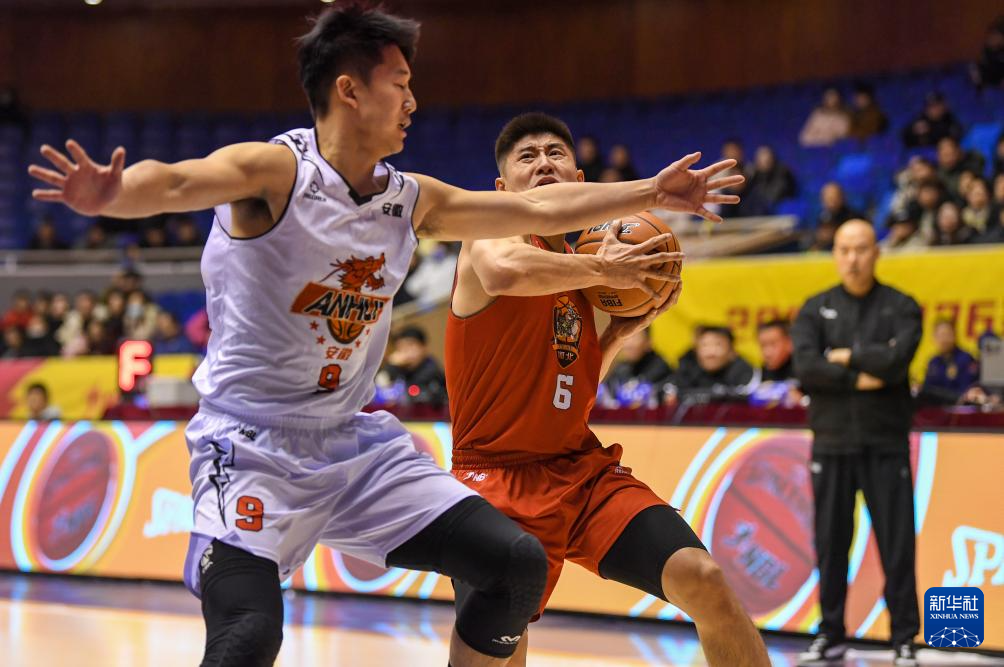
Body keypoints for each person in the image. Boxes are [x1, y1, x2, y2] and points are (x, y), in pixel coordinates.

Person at [27, 7, 740, 666]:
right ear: (350, 91)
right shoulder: (276, 172)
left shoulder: (407, 198)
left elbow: (535, 208)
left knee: (513, 564)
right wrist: (113, 194)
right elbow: (180, 182)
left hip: (353, 443)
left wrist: (653, 192)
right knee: (249, 635)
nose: (412, 100)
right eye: (400, 82)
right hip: (250, 447)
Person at [446, 111, 767, 667]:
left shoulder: (580, 275)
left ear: (579, 181)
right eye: (527, 156)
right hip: (494, 480)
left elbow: (567, 389)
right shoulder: (489, 232)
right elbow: (504, 272)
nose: (543, 162)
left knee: (704, 579)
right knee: (499, 656)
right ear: (501, 188)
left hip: (578, 470)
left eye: (555, 153)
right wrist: (603, 271)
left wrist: (615, 335)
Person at [791, 220, 921, 666]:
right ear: (835, 254)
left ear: (876, 252)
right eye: (844, 250)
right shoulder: (815, 309)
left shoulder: (901, 306)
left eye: (861, 249)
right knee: (830, 544)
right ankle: (830, 633)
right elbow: (806, 367)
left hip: (886, 443)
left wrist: (845, 357)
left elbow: (898, 361)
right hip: (831, 444)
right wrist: (861, 374)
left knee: (897, 544)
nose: (853, 259)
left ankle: (904, 637)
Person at [674, 325, 756, 400]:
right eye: (704, 345)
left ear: (732, 351)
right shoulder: (687, 368)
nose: (710, 353)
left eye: (718, 345)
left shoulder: (743, 371)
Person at [381, 325, 447, 406]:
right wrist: (391, 366)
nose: (406, 351)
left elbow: (414, 390)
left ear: (423, 347)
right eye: (401, 347)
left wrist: (393, 367)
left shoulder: (433, 370)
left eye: (410, 345)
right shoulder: (399, 369)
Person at [920, 320, 979, 405]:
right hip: (936, 408)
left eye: (947, 334)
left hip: (959, 408)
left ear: (954, 335)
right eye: (940, 335)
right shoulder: (934, 362)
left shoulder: (965, 359)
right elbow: (928, 389)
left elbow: (966, 393)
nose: (944, 339)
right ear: (934, 338)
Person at [605, 328, 675, 397]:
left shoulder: (662, 370)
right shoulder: (617, 372)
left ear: (649, 342)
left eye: (634, 336)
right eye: (626, 337)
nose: (628, 344)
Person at [742, 145, 797, 216]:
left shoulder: (782, 172)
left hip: (780, 210)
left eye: (767, 158)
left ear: (772, 158)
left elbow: (774, 197)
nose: (764, 161)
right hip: (759, 212)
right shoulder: (754, 175)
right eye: (760, 158)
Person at [936, 136, 985, 200]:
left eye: (951, 154)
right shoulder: (938, 175)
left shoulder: (973, 159)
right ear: (939, 156)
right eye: (945, 155)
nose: (949, 159)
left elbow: (980, 161)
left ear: (958, 151)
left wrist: (970, 173)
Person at [970, 16, 1004, 90]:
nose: (991, 39)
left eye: (995, 36)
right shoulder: (987, 50)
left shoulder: (1001, 52)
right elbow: (983, 64)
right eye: (990, 36)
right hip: (988, 77)